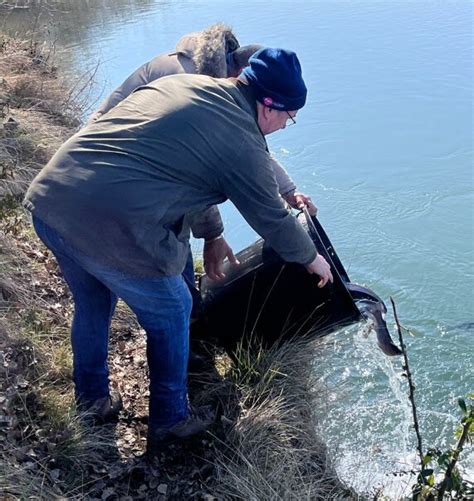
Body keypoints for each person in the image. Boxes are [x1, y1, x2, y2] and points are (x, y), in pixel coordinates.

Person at [23, 47, 333, 455]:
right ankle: (170, 421)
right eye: (289, 118)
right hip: (102, 220)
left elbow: (189, 167)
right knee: (173, 309)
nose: (283, 126)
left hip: (52, 200)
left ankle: (92, 403)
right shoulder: (241, 140)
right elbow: (272, 219)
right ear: (270, 107)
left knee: (95, 303)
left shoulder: (188, 85)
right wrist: (313, 259)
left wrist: (219, 231)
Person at [88, 24, 317, 312]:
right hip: (117, 171)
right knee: (170, 291)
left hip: (107, 168)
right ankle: (188, 328)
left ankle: (186, 316)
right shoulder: (193, 85)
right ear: (239, 74)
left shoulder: (211, 80)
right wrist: (213, 235)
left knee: (105, 294)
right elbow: (193, 175)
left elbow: (250, 150)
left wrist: (289, 191)